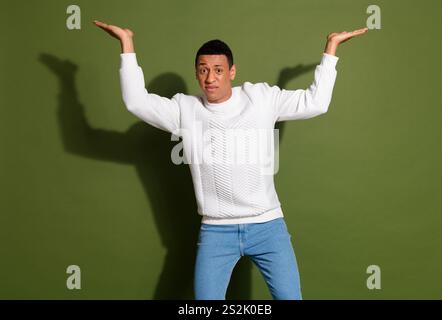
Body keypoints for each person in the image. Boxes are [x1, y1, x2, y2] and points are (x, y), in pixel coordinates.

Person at [93, 19, 368, 300]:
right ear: (196, 74)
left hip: (268, 227)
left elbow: (316, 102)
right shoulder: (184, 109)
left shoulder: (260, 98)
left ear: (232, 72)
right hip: (216, 231)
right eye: (203, 71)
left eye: (218, 70)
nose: (210, 78)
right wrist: (127, 45)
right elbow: (136, 102)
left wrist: (331, 49)